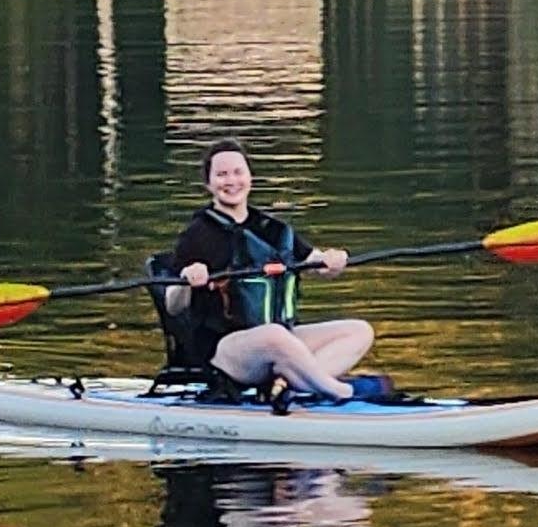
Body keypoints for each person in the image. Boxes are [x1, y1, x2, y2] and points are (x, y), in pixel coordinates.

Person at [152, 144, 377, 406]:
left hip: (278, 340)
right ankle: (340, 392)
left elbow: (314, 261)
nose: (231, 181)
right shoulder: (198, 234)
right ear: (209, 184)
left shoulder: (270, 228)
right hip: (225, 352)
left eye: (238, 172)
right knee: (274, 335)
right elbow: (173, 304)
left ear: (250, 178)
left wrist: (331, 259)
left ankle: (288, 386)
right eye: (222, 175)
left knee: (358, 331)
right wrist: (188, 282)